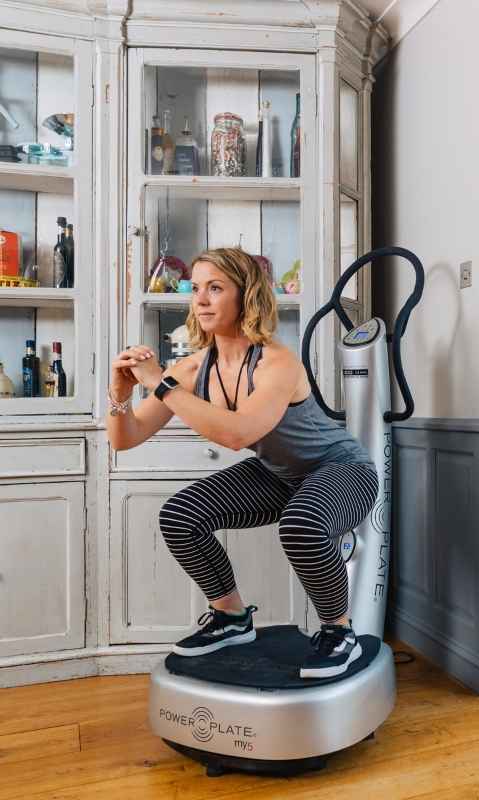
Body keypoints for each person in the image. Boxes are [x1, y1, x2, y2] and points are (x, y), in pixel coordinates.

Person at [106, 247, 379, 679]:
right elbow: (127, 438)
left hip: (341, 469)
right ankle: (231, 618)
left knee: (301, 524)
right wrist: (119, 397)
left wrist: (159, 383)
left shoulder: (277, 363)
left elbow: (238, 434)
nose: (201, 299)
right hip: (279, 474)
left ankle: (338, 630)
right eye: (196, 288)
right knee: (181, 515)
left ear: (245, 295)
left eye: (215, 288)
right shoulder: (195, 368)